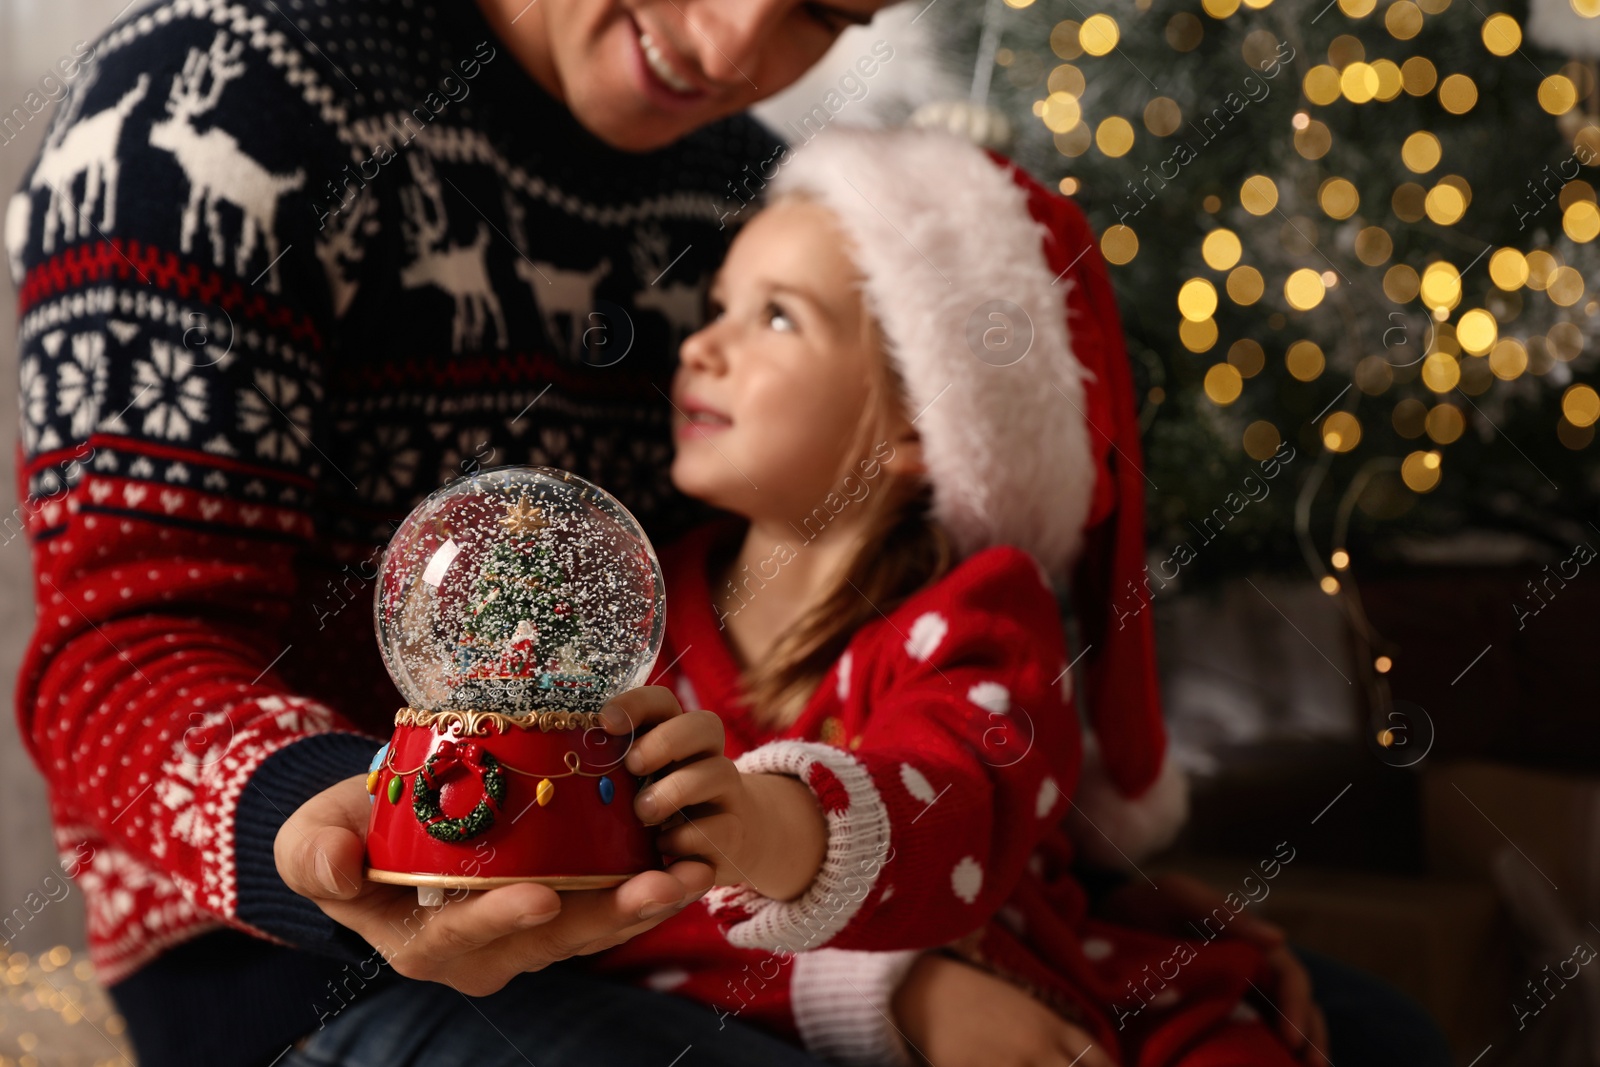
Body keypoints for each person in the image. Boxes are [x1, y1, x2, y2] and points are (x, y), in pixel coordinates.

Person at [6, 0, 896, 1063]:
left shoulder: (752, 207)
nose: (732, 49)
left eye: (826, 15)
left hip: (663, 919)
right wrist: (352, 834)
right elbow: (116, 652)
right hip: (293, 966)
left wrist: (886, 967)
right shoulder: (208, 105)